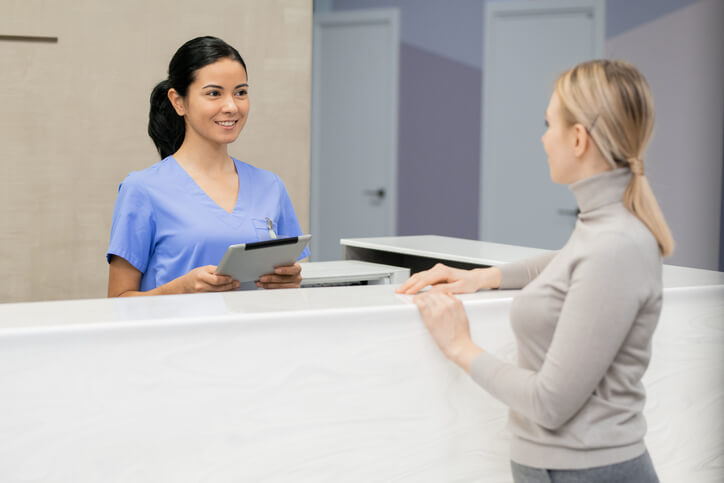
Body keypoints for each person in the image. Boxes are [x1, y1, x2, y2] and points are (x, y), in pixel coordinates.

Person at [397, 60, 674, 482]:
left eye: (549, 124)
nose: (544, 138)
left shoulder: (618, 244)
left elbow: (550, 402)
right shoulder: (600, 229)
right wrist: (481, 277)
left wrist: (460, 346)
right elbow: (569, 262)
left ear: (578, 138)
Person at [107, 36, 309, 297]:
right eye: (214, 93)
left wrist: (289, 281)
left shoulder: (270, 186)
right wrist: (179, 289)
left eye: (241, 92)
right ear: (178, 102)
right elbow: (117, 301)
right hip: (178, 338)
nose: (231, 106)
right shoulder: (142, 190)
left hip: (257, 336)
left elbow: (292, 282)